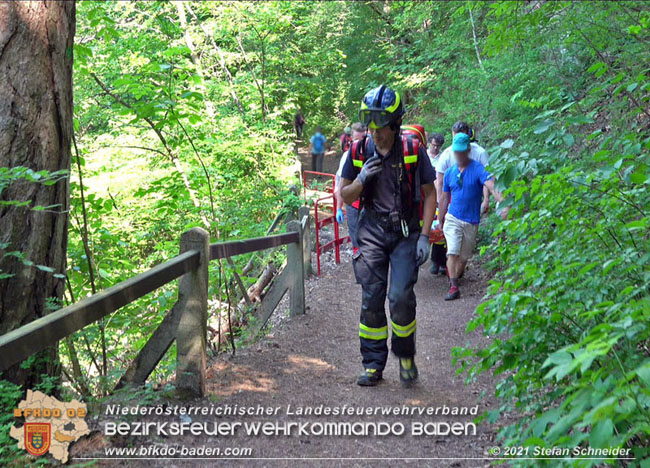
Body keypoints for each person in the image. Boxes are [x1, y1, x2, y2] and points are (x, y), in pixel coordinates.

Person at [339, 85, 437, 388]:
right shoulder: (357, 151)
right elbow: (345, 194)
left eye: (381, 126)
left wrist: (424, 237)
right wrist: (362, 179)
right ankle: (372, 364)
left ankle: (405, 356)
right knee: (371, 298)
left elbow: (430, 193)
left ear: (394, 124)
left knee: (400, 298)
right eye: (371, 125)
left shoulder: (411, 150)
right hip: (370, 231)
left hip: (405, 232)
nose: (375, 132)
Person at [438, 133, 509, 301]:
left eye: (463, 152)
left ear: (469, 150)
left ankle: (456, 274)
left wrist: (504, 202)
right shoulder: (449, 173)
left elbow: (491, 185)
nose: (459, 155)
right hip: (453, 217)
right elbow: (444, 197)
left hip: (471, 220)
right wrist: (440, 218)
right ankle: (453, 285)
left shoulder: (478, 169)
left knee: (463, 258)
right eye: (457, 152)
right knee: (452, 252)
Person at [435, 121, 491, 216]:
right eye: (455, 137)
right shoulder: (446, 155)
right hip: (452, 198)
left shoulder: (479, 153)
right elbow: (439, 182)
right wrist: (440, 205)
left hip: (474, 197)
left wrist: (486, 199)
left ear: (467, 135)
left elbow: (488, 179)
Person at [335, 123, 367, 255]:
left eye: (361, 140)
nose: (358, 144)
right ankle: (359, 261)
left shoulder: (374, 153)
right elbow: (340, 183)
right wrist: (338, 208)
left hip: (371, 205)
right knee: (355, 238)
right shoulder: (347, 156)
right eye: (356, 140)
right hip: (353, 204)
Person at [426, 133, 446, 275]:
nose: (435, 148)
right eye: (433, 145)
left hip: (439, 196)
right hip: (425, 197)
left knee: (439, 228)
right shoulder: (423, 155)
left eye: (438, 146)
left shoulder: (443, 157)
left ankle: (439, 261)